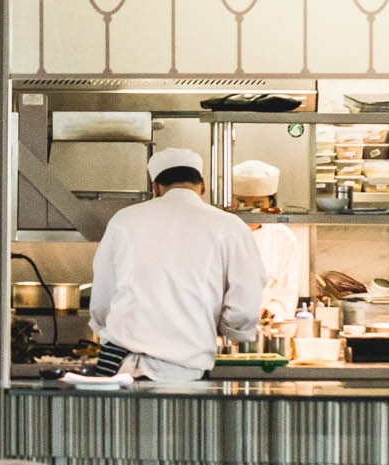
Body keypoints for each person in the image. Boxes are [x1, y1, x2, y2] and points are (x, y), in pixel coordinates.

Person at [86, 148, 264, 385]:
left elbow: (102, 298)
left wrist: (105, 328)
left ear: (156, 187)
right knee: (178, 411)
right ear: (202, 186)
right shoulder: (231, 226)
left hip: (120, 364)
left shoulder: (124, 220)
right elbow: (245, 307)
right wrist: (227, 329)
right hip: (183, 371)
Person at [227, 159, 313, 332]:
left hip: (266, 329)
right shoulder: (218, 234)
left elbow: (286, 293)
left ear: (271, 205)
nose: (250, 211)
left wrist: (269, 314)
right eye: (242, 203)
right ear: (230, 203)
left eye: (258, 205)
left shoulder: (283, 238)